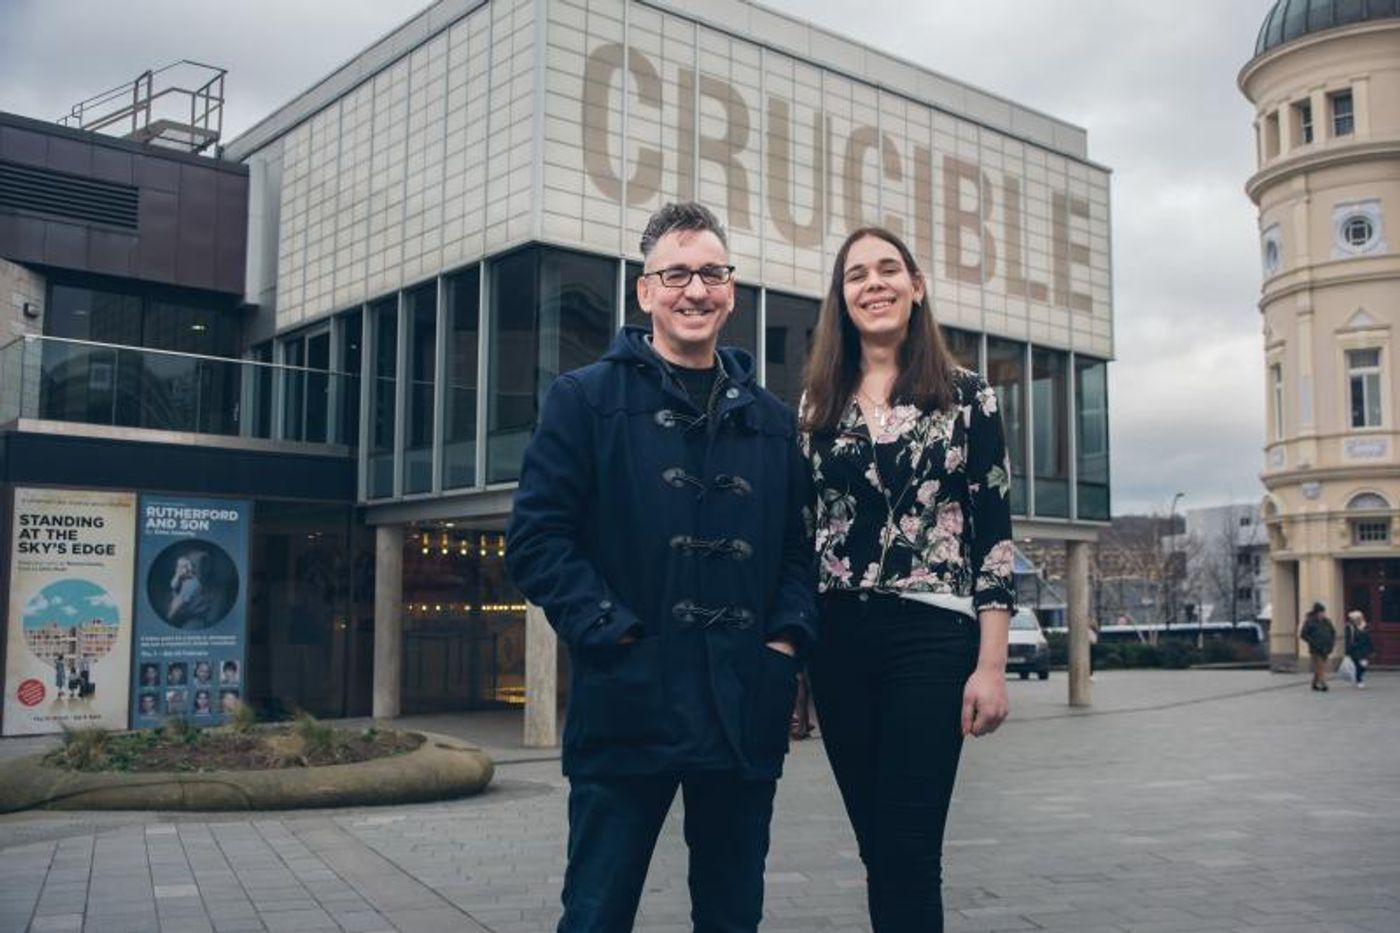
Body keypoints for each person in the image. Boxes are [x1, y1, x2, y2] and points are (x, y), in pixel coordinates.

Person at [506, 201, 817, 933]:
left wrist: (783, 645)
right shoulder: (584, 400)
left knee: (733, 914)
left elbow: (799, 553)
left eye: (711, 273)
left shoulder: (773, 423)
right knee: (597, 913)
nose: (695, 290)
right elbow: (537, 540)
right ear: (645, 291)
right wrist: (613, 633)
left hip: (742, 704)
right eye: (675, 274)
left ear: (731, 291)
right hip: (628, 702)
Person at [799, 226, 1013, 932]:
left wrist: (991, 666)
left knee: (910, 848)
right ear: (842, 298)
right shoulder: (816, 406)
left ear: (916, 287)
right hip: (837, 639)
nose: (874, 283)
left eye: (888, 269)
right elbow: (800, 536)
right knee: (878, 848)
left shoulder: (968, 397)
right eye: (857, 274)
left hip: (932, 633)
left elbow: (993, 538)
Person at [1300, 602, 1335, 692]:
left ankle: (1314, 683)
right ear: (1316, 613)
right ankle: (1323, 684)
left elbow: (1332, 632)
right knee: (1320, 666)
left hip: (1326, 647)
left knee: (1319, 667)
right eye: (1320, 612)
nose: (1322, 614)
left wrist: (1331, 643)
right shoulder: (1310, 621)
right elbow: (1303, 634)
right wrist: (1312, 641)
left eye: (1323, 612)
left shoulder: (1327, 621)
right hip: (1315, 648)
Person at [1344, 609, 1375, 689]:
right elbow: (1348, 639)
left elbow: (1369, 639)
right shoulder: (1350, 627)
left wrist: (1372, 650)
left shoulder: (1365, 626)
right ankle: (1359, 680)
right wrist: (1348, 650)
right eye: (1357, 618)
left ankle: (1357, 677)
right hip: (1354, 650)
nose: (1359, 620)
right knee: (1358, 665)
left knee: (1364, 665)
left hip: (1364, 649)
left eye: (1360, 618)